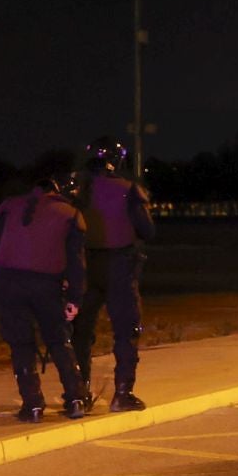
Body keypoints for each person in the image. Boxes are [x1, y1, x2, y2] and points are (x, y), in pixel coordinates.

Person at [0, 176, 93, 420]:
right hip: (47, 285)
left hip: (10, 283)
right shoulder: (69, 214)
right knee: (59, 341)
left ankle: (33, 406)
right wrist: (75, 298)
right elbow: (76, 263)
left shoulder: (11, 208)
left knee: (21, 344)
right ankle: (76, 399)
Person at [72, 137, 157, 412]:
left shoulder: (75, 189)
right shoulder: (128, 189)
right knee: (126, 330)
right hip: (120, 266)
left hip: (83, 267)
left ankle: (79, 394)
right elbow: (147, 230)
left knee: (80, 332)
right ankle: (122, 393)